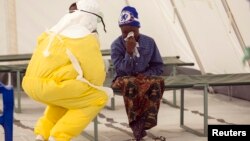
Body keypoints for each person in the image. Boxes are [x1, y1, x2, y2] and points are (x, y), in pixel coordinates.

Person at [22, 0, 112, 141]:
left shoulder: (52, 32)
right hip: (53, 86)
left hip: (30, 83)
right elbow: (96, 75)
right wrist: (93, 84)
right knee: (98, 97)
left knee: (66, 99)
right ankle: (59, 136)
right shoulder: (84, 38)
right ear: (91, 18)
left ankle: (42, 134)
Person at [111, 6, 165, 141]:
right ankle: (137, 127)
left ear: (138, 28)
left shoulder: (149, 42)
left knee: (158, 81)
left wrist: (146, 74)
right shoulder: (116, 45)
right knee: (130, 83)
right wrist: (129, 52)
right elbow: (121, 71)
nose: (129, 35)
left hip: (143, 77)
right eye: (125, 32)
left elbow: (158, 66)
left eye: (132, 31)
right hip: (123, 78)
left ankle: (147, 121)